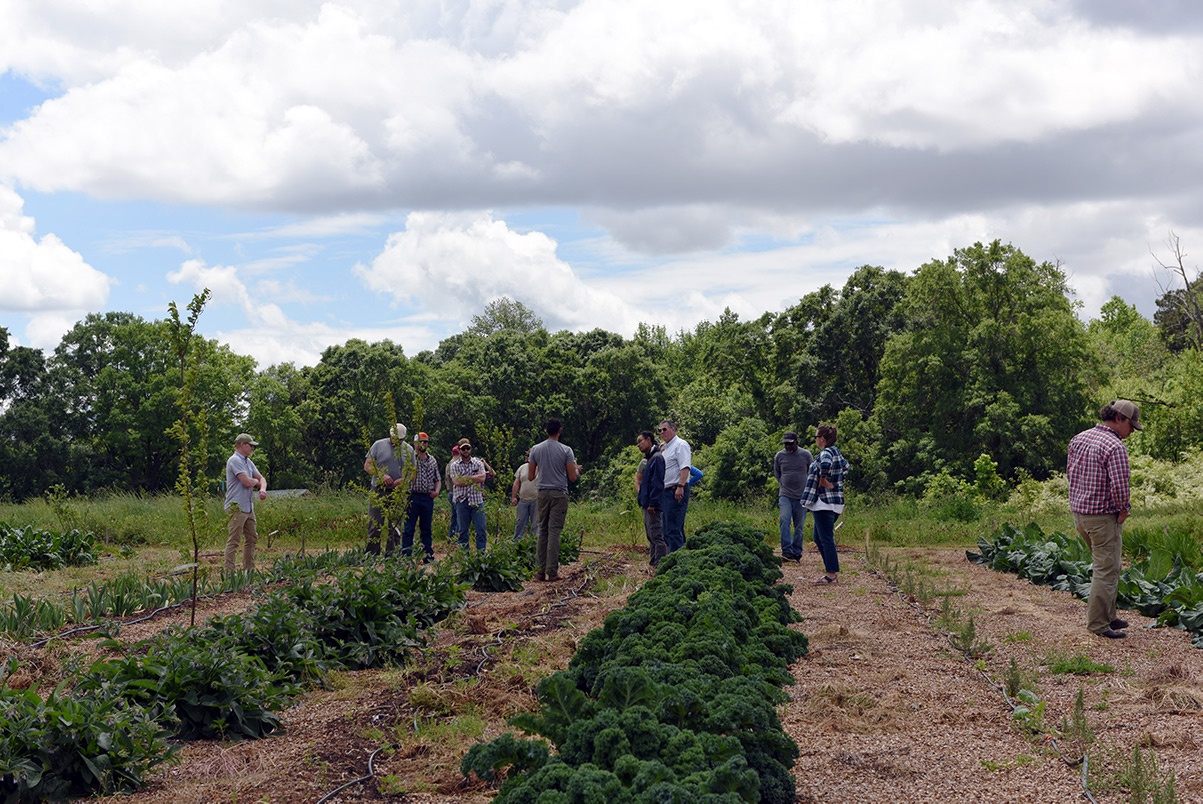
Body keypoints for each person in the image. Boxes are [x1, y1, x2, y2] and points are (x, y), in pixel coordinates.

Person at [1067, 400, 1141, 639]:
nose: (1132, 431)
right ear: (1119, 418)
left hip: (1081, 516)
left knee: (1109, 566)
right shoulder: (1115, 446)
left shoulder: (1079, 438)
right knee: (1106, 570)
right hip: (1102, 517)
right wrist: (1124, 509)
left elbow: (1071, 475)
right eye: (1131, 425)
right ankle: (1099, 625)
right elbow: (1120, 485)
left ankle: (1109, 616)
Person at [527, 418, 581, 581]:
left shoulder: (536, 449)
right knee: (554, 531)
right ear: (560, 431)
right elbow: (572, 477)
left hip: (542, 492)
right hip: (559, 493)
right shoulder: (566, 450)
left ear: (546, 431)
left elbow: (530, 476)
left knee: (542, 529)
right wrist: (577, 470)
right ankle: (552, 571)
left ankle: (539, 571)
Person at [800, 424, 850, 584]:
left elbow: (826, 464)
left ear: (822, 439)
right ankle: (831, 570)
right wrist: (836, 480)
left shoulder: (826, 453)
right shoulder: (837, 452)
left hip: (824, 502)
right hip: (834, 502)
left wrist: (824, 479)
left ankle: (831, 574)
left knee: (826, 538)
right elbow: (846, 467)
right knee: (818, 536)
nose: (815, 440)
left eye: (816, 437)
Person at [364, 423, 415, 555]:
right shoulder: (378, 445)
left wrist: (404, 480)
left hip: (398, 492)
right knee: (375, 524)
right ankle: (372, 554)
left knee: (395, 526)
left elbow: (413, 472)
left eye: (399, 440)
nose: (395, 441)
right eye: (394, 438)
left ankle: (391, 555)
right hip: (379, 490)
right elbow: (367, 465)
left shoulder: (408, 450)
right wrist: (381, 475)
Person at [224, 433, 267, 574]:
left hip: (248, 507)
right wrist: (255, 482)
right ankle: (229, 574)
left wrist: (262, 489)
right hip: (236, 507)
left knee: (252, 538)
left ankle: (249, 570)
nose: (252, 449)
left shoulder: (248, 462)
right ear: (242, 445)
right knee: (234, 540)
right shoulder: (234, 460)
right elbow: (247, 482)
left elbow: (261, 478)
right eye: (250, 446)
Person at [401, 431, 441, 562]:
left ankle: (427, 555)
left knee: (426, 528)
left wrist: (436, 491)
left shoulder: (432, 460)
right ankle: (406, 555)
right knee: (409, 527)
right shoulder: (409, 458)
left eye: (425, 442)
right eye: (420, 442)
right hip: (412, 495)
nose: (423, 444)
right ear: (415, 443)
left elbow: (437, 479)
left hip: (427, 497)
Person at [774, 431, 814, 563]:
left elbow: (812, 472)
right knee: (784, 520)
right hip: (785, 494)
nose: (788, 447)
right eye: (786, 444)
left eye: (790, 444)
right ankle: (786, 551)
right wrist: (784, 483)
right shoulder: (779, 456)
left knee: (799, 526)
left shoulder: (806, 455)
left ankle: (797, 552)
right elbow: (777, 473)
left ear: (797, 442)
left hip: (801, 496)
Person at [636, 429, 668, 570]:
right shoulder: (650, 458)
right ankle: (652, 563)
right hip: (647, 503)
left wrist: (652, 503)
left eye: (640, 441)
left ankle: (659, 566)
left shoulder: (657, 458)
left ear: (649, 440)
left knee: (657, 535)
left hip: (653, 505)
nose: (638, 445)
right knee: (651, 535)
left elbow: (657, 483)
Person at [658, 420, 692, 553]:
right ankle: (679, 557)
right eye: (659, 430)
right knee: (667, 529)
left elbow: (685, 467)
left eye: (664, 429)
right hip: (666, 492)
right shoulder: (666, 448)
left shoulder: (680, 445)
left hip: (675, 491)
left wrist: (680, 486)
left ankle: (677, 561)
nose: (661, 433)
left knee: (673, 529)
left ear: (673, 429)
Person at [450, 438, 488, 551]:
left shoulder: (478, 462)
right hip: (462, 501)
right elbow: (457, 482)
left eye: (468, 448)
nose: (466, 450)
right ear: (459, 450)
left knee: (481, 528)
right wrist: (474, 477)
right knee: (462, 531)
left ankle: (481, 555)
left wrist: (466, 478)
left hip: (477, 500)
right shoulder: (454, 465)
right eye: (463, 448)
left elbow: (483, 478)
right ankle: (464, 557)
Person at [512, 451, 539, 539]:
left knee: (535, 524)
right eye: (527, 455)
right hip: (523, 500)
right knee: (520, 523)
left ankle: (534, 544)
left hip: (536, 500)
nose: (527, 457)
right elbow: (516, 483)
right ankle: (517, 543)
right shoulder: (522, 468)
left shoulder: (540, 468)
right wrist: (514, 497)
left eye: (529, 455)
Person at [445, 445, 461, 540]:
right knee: (459, 517)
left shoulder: (448, 464)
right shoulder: (454, 465)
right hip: (455, 493)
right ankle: (457, 538)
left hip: (449, 492)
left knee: (454, 517)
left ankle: (451, 537)